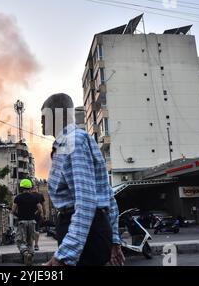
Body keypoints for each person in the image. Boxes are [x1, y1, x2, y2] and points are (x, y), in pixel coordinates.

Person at [41, 93, 125, 267]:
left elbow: (86, 201)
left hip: (87, 234)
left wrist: (64, 256)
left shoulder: (73, 142)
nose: (40, 122)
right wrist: (115, 240)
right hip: (91, 230)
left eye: (43, 117)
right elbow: (107, 195)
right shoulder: (72, 142)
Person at [12, 179, 43, 266]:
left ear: (21, 187)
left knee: (20, 240)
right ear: (30, 187)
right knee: (30, 240)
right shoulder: (35, 197)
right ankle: (30, 255)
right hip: (32, 221)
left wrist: (19, 215)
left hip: (22, 222)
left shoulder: (18, 198)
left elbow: (13, 210)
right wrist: (34, 214)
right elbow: (40, 209)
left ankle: (25, 253)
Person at [31, 186, 46, 251]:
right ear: (36, 189)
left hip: (30, 215)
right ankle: (36, 245)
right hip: (38, 215)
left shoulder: (29, 195)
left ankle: (30, 245)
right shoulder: (40, 195)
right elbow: (43, 206)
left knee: (30, 230)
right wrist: (44, 214)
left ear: (31, 189)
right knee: (37, 229)